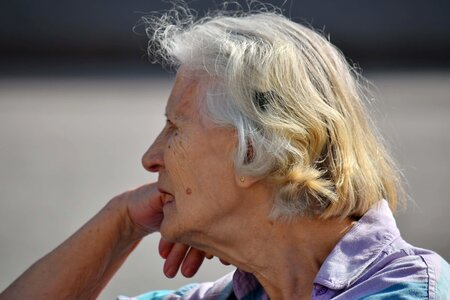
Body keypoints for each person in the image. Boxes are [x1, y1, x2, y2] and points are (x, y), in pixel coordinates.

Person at [1, 6, 449, 300]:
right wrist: (120, 222)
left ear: (256, 147)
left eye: (174, 128)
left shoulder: (404, 292)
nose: (151, 157)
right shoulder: (229, 295)